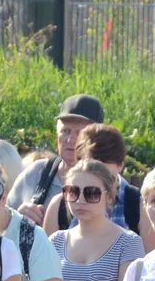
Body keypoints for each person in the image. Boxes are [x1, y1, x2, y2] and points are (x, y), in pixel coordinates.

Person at [41, 124, 154, 250]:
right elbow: (48, 262)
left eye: (107, 176)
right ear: (78, 164)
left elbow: (151, 263)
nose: (99, 182)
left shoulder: (139, 204)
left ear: (121, 165)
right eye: (92, 172)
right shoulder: (59, 205)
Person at [8, 94, 104, 224]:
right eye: (65, 131)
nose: (70, 140)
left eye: (79, 133)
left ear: (97, 138)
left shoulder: (109, 183)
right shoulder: (36, 174)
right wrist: (16, 219)